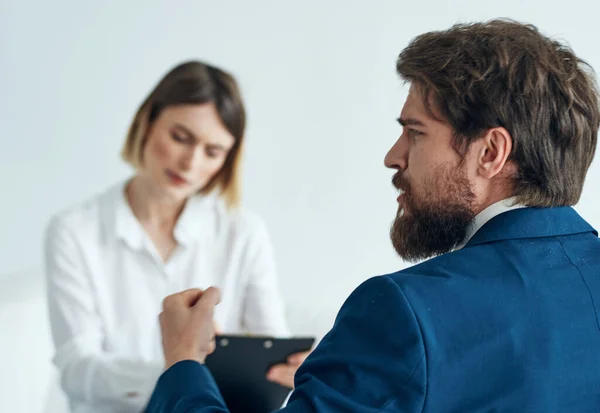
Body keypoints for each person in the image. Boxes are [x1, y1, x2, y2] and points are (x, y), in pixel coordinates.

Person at [144, 19, 600, 412]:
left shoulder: (404, 315)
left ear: (491, 153)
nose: (392, 156)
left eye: (414, 132)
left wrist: (184, 363)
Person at [44, 60, 308, 413]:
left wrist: (291, 371)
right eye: (180, 138)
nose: (190, 163)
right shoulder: (74, 231)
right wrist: (181, 369)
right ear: (147, 123)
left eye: (212, 152)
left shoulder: (242, 232)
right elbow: (78, 368)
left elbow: (271, 349)